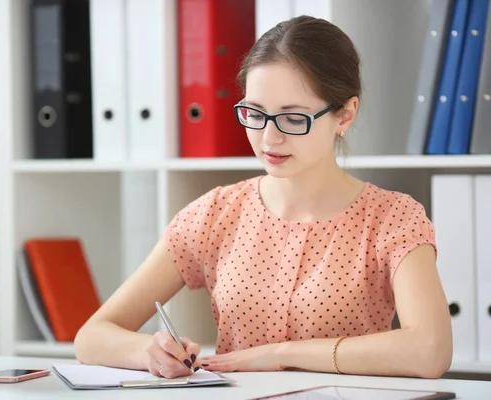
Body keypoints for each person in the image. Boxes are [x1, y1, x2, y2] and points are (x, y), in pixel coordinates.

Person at [74, 15, 452, 380]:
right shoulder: (215, 213)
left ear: (345, 114)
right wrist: (149, 352)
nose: (269, 139)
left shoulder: (392, 218)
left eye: (292, 118)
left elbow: (430, 350)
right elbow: (92, 337)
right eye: (255, 113)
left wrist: (282, 354)